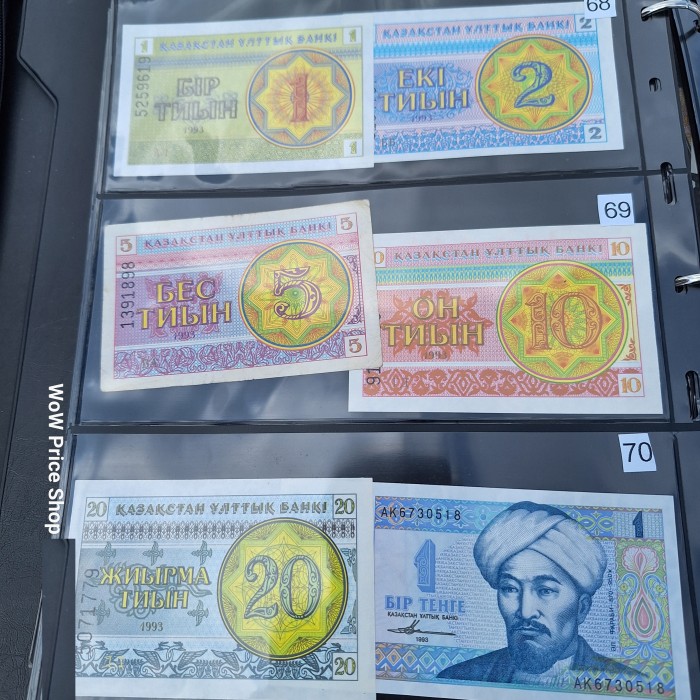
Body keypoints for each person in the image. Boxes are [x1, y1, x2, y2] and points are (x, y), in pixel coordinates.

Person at [438, 501, 634, 685]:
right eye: (510, 588)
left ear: (582, 608)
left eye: (545, 591)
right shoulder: (457, 678)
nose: (526, 612)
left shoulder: (630, 683)